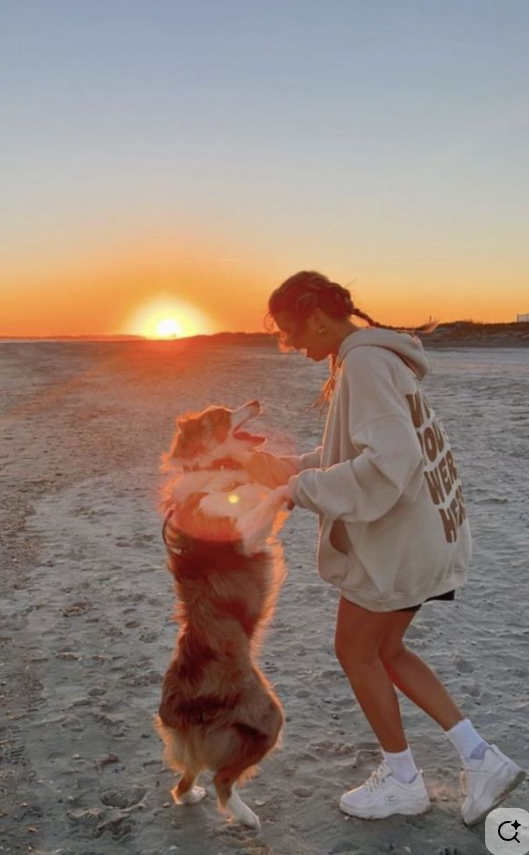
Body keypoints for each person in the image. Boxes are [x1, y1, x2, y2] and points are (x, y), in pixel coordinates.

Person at [267, 270, 525, 825]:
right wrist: (297, 466)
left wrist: (298, 490)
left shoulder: (363, 362)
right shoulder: (370, 358)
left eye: (291, 332)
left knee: (354, 651)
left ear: (316, 315)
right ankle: (482, 759)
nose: (291, 345)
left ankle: (404, 779)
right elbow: (360, 447)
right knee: (388, 651)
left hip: (399, 543)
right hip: (426, 532)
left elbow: (391, 463)